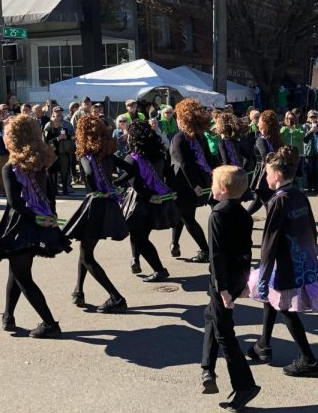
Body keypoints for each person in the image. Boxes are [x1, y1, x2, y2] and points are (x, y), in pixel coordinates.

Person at [0, 114, 71, 338]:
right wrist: (49, 216)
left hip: (22, 225)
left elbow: (14, 203)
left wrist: (37, 218)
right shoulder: (40, 163)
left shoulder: (10, 167)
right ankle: (8, 316)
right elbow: (50, 194)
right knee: (17, 271)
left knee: (22, 276)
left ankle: (49, 323)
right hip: (38, 221)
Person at [245, 146, 318, 376]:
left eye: (268, 173)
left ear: (278, 176)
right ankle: (263, 345)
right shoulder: (299, 194)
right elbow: (311, 228)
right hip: (301, 259)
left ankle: (309, 359)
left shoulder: (278, 201)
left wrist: (263, 273)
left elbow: (270, 241)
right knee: (271, 301)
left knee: (285, 308)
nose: (265, 177)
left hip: (285, 263)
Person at [200, 165, 261, 411]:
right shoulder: (244, 214)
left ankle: (245, 385)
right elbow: (247, 250)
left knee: (225, 333)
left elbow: (215, 255)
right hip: (237, 277)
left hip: (223, 280)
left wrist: (221, 288)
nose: (211, 187)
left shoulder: (217, 215)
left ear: (223, 190)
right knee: (210, 316)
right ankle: (207, 371)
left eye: (214, 184)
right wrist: (244, 282)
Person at [62, 115, 130, 313]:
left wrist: (97, 188)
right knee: (86, 248)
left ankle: (116, 297)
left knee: (87, 255)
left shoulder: (86, 155)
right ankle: (79, 291)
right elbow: (131, 170)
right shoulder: (108, 154)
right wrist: (116, 185)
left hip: (95, 205)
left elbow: (89, 174)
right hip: (109, 204)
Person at [116, 120, 176, 282]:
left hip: (141, 201)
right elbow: (170, 175)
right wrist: (172, 191)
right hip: (158, 199)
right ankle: (135, 260)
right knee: (140, 234)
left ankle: (159, 269)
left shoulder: (132, 157)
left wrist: (111, 183)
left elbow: (132, 181)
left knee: (138, 237)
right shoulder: (160, 153)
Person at [169, 99, 214, 262]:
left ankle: (205, 250)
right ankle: (174, 243)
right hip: (195, 182)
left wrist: (195, 185)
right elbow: (209, 158)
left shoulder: (179, 138)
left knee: (186, 217)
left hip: (184, 184)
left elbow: (184, 164)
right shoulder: (199, 136)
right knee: (182, 214)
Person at [43, 107, 75, 195]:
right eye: (56, 113)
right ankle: (54, 190)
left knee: (65, 170)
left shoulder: (67, 125)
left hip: (64, 151)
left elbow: (73, 137)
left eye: (60, 113)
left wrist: (67, 137)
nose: (58, 115)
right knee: (53, 171)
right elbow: (45, 141)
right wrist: (58, 138)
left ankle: (65, 189)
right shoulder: (48, 126)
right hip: (52, 152)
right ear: (52, 114)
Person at [280, 111, 304, 187]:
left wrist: (293, 130)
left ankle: (300, 188)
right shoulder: (283, 128)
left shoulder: (299, 127)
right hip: (287, 155)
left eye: (292, 118)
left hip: (298, 153)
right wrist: (288, 129)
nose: (291, 120)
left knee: (299, 171)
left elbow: (301, 135)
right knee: (288, 171)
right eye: (289, 118)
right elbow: (281, 136)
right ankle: (288, 186)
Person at [301, 110, 318, 193]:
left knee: (316, 170)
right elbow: (304, 139)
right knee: (309, 171)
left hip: (317, 152)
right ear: (308, 118)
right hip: (308, 152)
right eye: (311, 117)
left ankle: (316, 187)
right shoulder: (305, 126)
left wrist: (316, 131)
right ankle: (309, 187)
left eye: (314, 116)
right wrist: (311, 131)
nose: (313, 118)